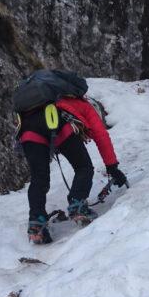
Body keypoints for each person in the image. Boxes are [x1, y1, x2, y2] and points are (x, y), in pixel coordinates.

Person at [18, 94, 128, 243]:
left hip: (28, 129)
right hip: (60, 125)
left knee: (39, 177)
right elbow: (101, 135)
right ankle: (77, 206)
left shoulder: (39, 101)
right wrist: (112, 166)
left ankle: (36, 222)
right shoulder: (85, 105)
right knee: (83, 167)